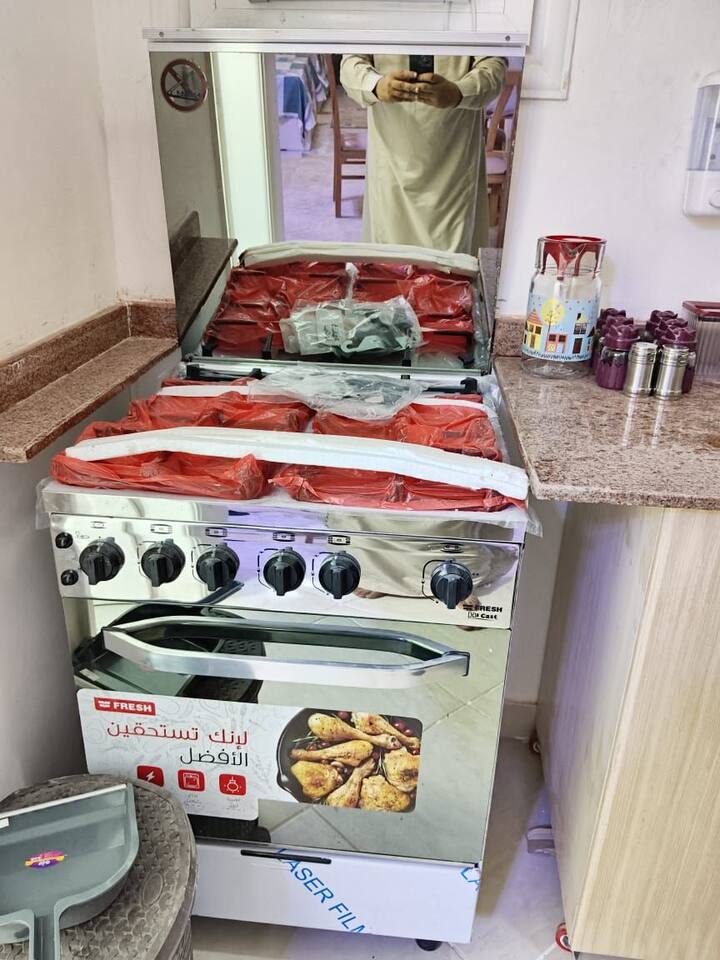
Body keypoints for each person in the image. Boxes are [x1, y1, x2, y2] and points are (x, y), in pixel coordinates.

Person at [340, 54, 507, 255]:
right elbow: (350, 64)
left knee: (450, 263)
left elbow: (494, 66)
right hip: (391, 158)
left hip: (453, 159)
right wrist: (376, 85)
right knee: (389, 260)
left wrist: (459, 92)